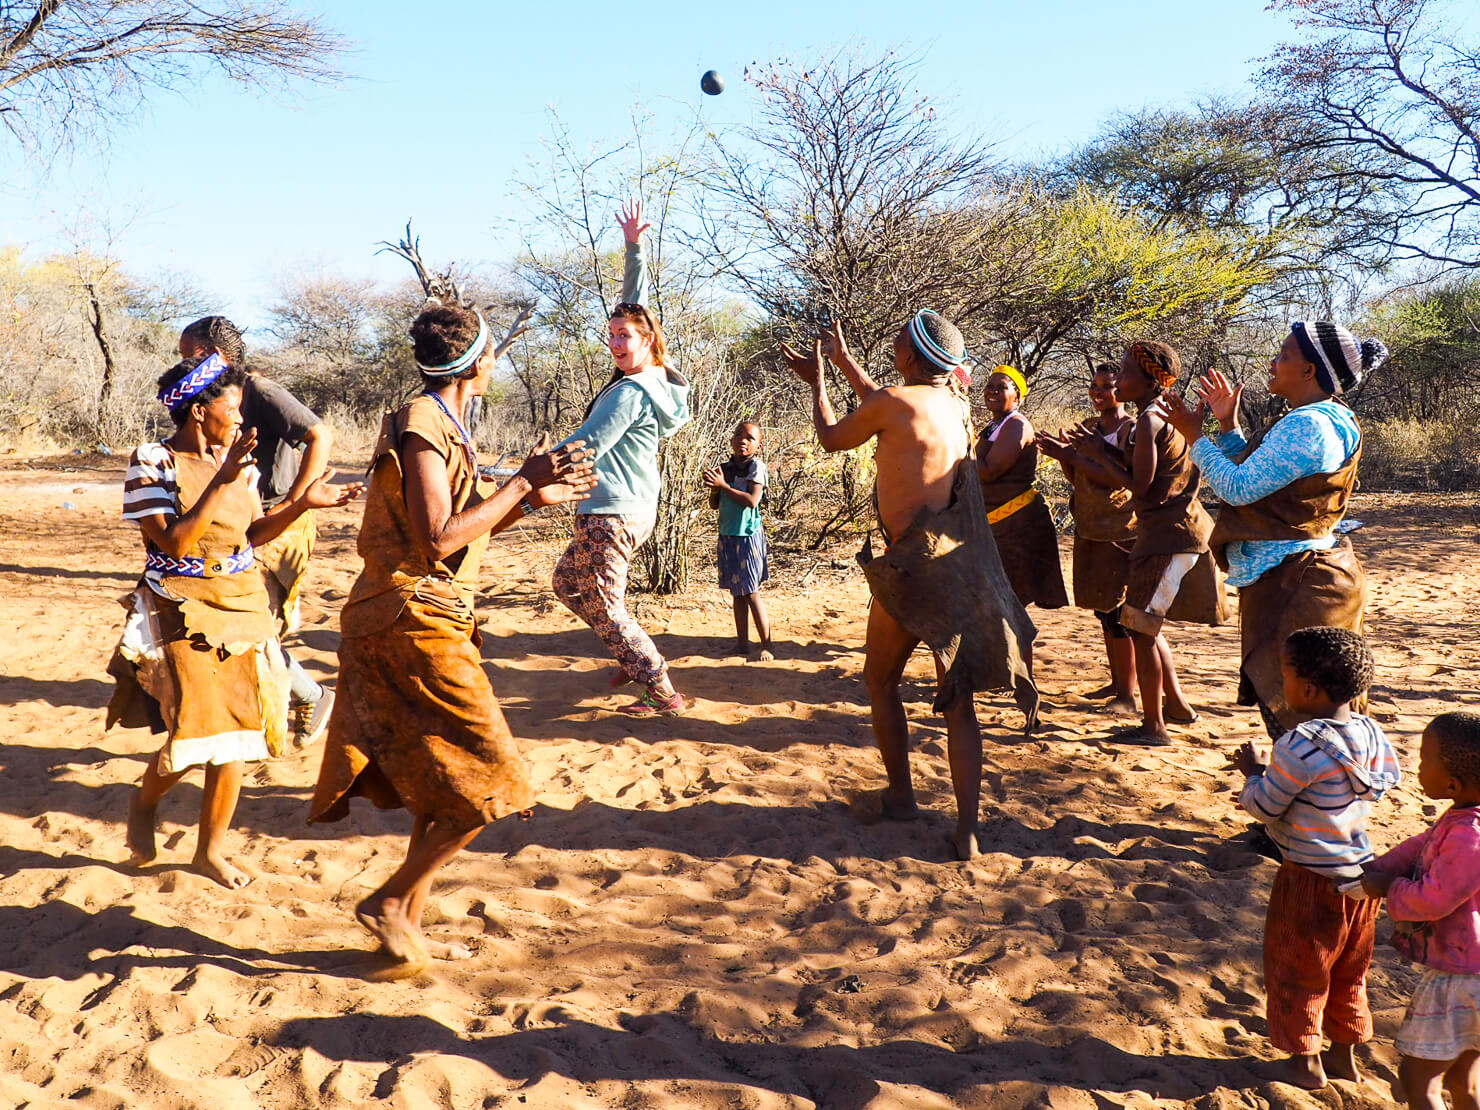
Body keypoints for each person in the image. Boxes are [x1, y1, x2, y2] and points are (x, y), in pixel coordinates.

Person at [308, 299, 596, 976]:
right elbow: (437, 541)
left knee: (444, 781)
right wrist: (523, 481)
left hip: (413, 614)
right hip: (410, 620)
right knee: (492, 785)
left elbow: (451, 535)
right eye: (496, 353)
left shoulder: (440, 423)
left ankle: (404, 917)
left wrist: (526, 501)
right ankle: (389, 902)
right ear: (481, 360)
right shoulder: (423, 424)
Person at [779, 311, 1038, 861]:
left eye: (898, 341)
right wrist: (846, 361)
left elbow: (832, 438)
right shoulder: (954, 405)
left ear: (913, 357)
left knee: (880, 681)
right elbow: (891, 408)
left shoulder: (895, 403)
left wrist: (820, 380)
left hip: (911, 569)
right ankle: (966, 830)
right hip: (959, 568)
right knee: (957, 701)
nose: (892, 346)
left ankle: (900, 795)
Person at [109, 353, 361, 889]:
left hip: (242, 600)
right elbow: (175, 542)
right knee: (196, 729)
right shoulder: (153, 460)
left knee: (242, 732)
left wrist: (303, 502)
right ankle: (143, 801)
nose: (242, 420)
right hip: (180, 605)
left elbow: (253, 535)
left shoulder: (238, 461)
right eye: (232, 407)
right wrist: (221, 480)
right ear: (199, 411)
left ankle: (209, 852)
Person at [1158, 322, 1386, 739]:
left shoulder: (1310, 427)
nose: (1273, 362)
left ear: (1309, 371)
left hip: (1301, 586)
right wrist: (1227, 428)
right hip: (1292, 579)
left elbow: (1238, 487)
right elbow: (1254, 475)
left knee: (1309, 723)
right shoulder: (1313, 419)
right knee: (1307, 720)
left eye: (1284, 355)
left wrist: (1196, 436)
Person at [1234, 626, 1400, 1090]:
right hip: (1363, 879)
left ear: (1307, 688)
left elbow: (1266, 806)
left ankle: (1304, 1064)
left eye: (1285, 675)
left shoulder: (1298, 744)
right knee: (1349, 970)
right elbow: (1387, 778)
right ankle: (1344, 1056)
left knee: (1297, 970)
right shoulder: (1370, 731)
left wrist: (1253, 774)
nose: (1282, 684)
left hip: (1309, 880)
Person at [1042, 341, 1227, 745]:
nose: (1118, 380)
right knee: (1144, 625)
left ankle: (1154, 726)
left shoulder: (1148, 421)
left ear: (1147, 381)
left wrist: (1091, 454)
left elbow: (1139, 487)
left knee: (1140, 627)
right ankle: (1174, 706)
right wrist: (1086, 455)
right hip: (1175, 531)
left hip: (1168, 535)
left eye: (1124, 373)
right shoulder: (1161, 415)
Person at [553, 200, 691, 716]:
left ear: (647, 340)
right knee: (567, 584)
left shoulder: (630, 391)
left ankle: (660, 689)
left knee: (606, 605)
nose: (614, 342)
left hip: (612, 511)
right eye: (610, 335)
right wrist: (635, 249)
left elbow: (587, 445)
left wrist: (519, 476)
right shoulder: (654, 378)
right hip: (629, 505)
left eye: (623, 337)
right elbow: (636, 307)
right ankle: (630, 654)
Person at [180, 316, 339, 747]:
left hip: (279, 522)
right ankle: (306, 696)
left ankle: (307, 697)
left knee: (250, 626)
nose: (184, 366)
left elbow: (320, 435)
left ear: (213, 356)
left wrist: (295, 499)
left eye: (189, 357)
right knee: (243, 626)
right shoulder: (210, 399)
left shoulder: (261, 391)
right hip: (245, 522)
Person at [1357, 711, 1480, 1110]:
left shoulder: (1469, 837)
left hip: (1463, 977)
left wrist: (1389, 888)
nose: (1418, 766)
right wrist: (1378, 868)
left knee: (1418, 1079)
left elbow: (1436, 897)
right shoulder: (1460, 818)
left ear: (1452, 783)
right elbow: (1422, 846)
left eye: (1425, 758)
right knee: (1464, 1076)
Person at [1043, 363, 1138, 710]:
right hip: (1091, 528)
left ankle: (1128, 694)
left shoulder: (1132, 430)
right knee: (1103, 610)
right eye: (1094, 386)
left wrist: (1072, 455)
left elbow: (1119, 478)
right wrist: (1062, 456)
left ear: (1122, 390)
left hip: (1121, 531)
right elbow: (1078, 477)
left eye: (1107, 386)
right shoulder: (1087, 428)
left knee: (1121, 614)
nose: (1099, 393)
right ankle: (1116, 684)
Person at [975, 364, 1069, 610]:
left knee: (1009, 605)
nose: (993, 392)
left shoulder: (1016, 425)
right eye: (990, 386)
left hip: (1017, 527)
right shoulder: (994, 425)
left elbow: (990, 471)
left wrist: (957, 448)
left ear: (1017, 396)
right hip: (999, 525)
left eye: (1002, 387)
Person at [703, 421, 773, 660]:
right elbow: (714, 504)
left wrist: (722, 485)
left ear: (758, 446)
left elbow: (752, 500)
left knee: (751, 592)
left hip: (747, 536)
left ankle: (767, 645)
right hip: (728, 533)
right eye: (738, 435)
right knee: (737, 592)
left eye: (750, 438)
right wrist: (715, 488)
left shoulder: (757, 467)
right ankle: (742, 642)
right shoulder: (725, 468)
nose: (742, 440)